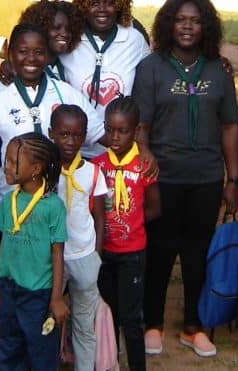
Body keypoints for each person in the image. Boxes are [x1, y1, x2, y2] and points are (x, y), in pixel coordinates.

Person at [133, 0, 238, 358]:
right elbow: (141, 125)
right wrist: (147, 161)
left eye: (195, 20)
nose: (188, 26)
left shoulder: (218, 70)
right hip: (162, 178)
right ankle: (153, 324)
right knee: (160, 252)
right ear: (168, 23)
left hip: (207, 179)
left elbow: (229, 126)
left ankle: (193, 328)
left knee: (197, 254)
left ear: (205, 26)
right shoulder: (151, 68)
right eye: (181, 20)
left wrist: (233, 178)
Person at [0, 24, 105, 199]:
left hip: (58, 201)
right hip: (11, 201)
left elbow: (101, 134)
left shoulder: (66, 93)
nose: (31, 58)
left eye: (39, 52)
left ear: (47, 55)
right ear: (11, 55)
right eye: (23, 51)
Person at [0, 133, 70, 371]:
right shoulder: (9, 200)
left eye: (13, 162)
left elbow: (57, 253)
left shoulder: (52, 206)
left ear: (35, 168)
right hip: (9, 288)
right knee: (9, 347)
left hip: (38, 294)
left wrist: (56, 297)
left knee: (40, 350)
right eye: (6, 160)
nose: (6, 167)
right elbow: (5, 240)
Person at [93, 97, 160, 371]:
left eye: (122, 131)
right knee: (109, 314)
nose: (115, 137)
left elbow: (155, 207)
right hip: (104, 252)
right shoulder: (97, 165)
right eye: (110, 130)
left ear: (136, 131)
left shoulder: (144, 166)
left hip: (132, 252)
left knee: (132, 319)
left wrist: (131, 224)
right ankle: (110, 363)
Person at [51, 104, 108, 371]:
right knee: (49, 321)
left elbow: (99, 217)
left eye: (77, 135)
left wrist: (96, 256)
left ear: (85, 135)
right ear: (51, 133)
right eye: (63, 134)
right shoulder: (44, 173)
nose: (70, 141)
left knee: (84, 325)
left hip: (84, 256)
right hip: (52, 259)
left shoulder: (93, 172)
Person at [60, 0, 150, 108]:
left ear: (119, 6)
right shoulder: (72, 38)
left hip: (120, 128)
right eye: (94, 3)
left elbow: (147, 86)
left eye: (109, 3)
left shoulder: (134, 40)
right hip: (77, 128)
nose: (102, 10)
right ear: (84, 6)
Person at [17, 0, 82, 83]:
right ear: (39, 29)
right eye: (56, 28)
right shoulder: (22, 69)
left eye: (68, 29)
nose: (65, 34)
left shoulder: (69, 65)